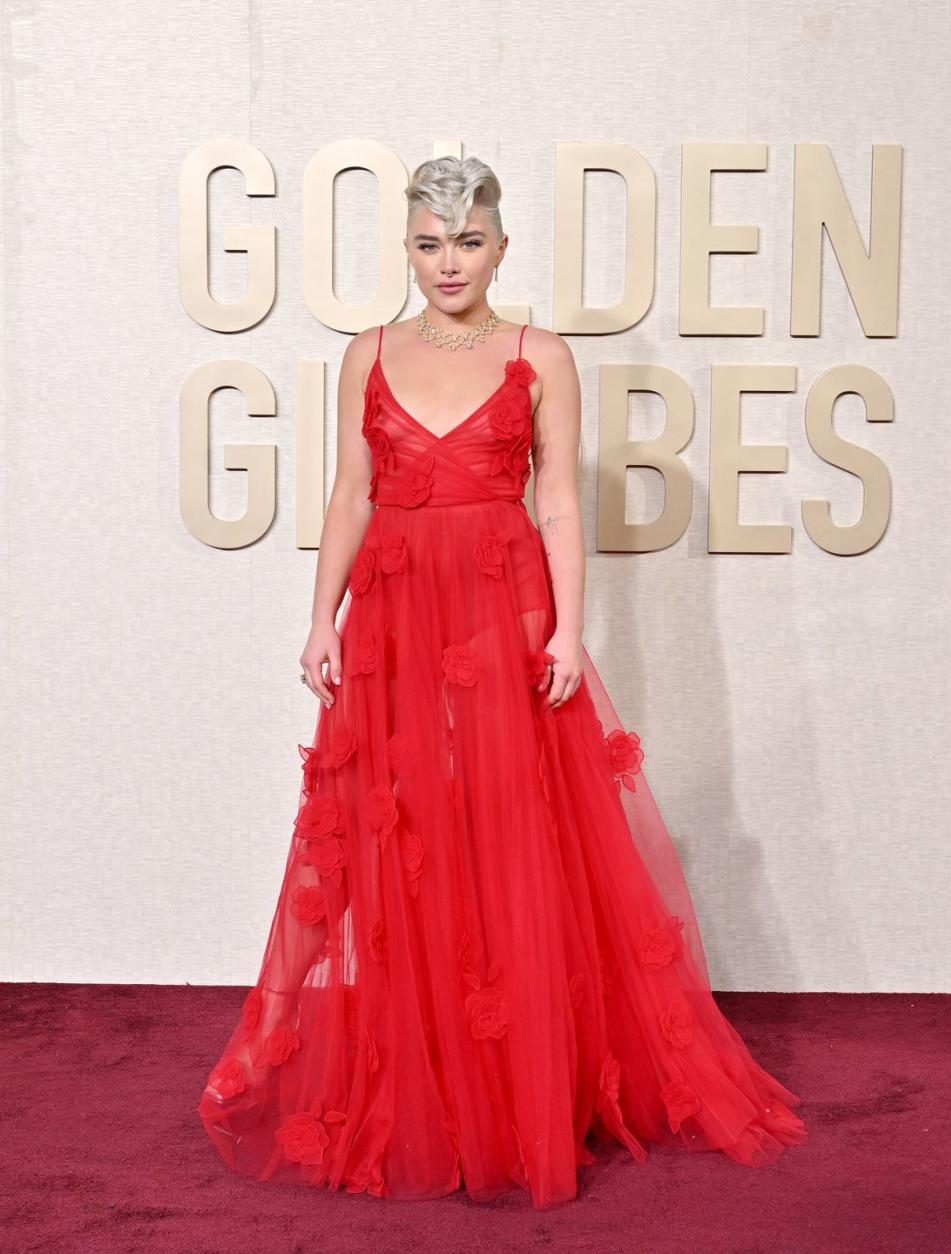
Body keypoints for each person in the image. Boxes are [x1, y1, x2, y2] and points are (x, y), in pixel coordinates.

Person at [197, 155, 807, 1209]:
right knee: (390, 824)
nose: (448, 262)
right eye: (429, 243)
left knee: (510, 829)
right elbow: (350, 492)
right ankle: (426, 1068)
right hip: (391, 612)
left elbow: (558, 501)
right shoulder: (369, 353)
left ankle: (521, 1080)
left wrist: (572, 631)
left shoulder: (541, 355)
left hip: (503, 606)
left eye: (467, 240)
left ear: (501, 244)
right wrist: (318, 618)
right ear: (408, 248)